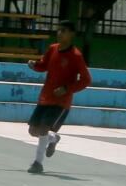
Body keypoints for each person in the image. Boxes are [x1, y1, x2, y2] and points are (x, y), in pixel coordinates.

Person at [26, 20, 91, 174]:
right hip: (45, 97)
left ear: (71, 34)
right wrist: (34, 65)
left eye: (64, 31)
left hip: (61, 102)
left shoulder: (76, 56)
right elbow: (44, 65)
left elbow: (86, 79)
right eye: (58, 30)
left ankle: (37, 163)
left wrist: (67, 89)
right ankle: (53, 139)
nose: (59, 33)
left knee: (43, 128)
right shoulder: (52, 48)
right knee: (33, 131)